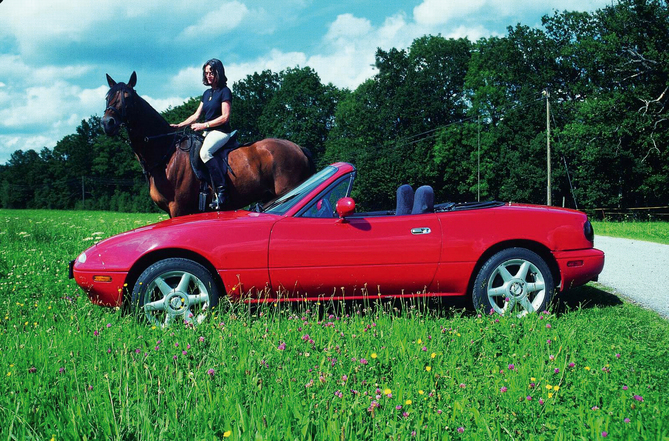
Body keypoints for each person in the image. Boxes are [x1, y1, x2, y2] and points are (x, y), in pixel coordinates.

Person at [171, 58, 232, 209]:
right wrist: (179, 125)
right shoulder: (206, 93)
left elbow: (225, 117)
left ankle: (222, 191)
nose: (209, 76)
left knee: (205, 153)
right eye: (206, 73)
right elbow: (196, 115)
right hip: (207, 132)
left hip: (220, 132)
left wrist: (204, 125)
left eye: (211, 72)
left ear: (218, 72)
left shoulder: (225, 91)